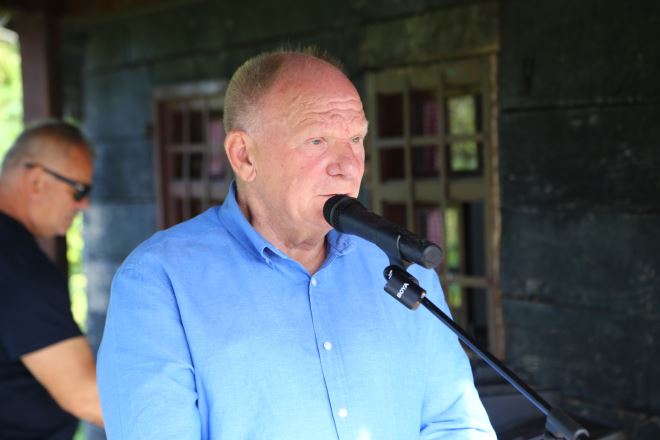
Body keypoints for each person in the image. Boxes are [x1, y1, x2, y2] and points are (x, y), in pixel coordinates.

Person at [98, 48, 495, 439]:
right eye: (317, 140)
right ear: (244, 156)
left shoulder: (397, 264)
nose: (348, 165)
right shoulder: (158, 281)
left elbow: (456, 424)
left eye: (356, 138)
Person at [0, 120, 104, 439]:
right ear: (36, 181)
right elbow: (84, 394)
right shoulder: (17, 263)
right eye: (78, 190)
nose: (83, 204)